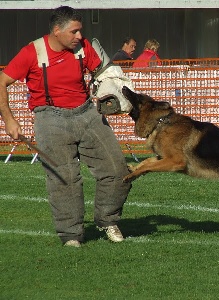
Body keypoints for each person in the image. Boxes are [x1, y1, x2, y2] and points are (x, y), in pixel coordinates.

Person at [0, 6, 132, 247]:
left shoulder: (83, 48)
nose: (80, 37)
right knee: (64, 178)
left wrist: (112, 87)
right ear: (57, 31)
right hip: (49, 118)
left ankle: (107, 220)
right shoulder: (32, 52)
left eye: (80, 31)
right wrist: (9, 119)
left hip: (86, 112)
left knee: (117, 169)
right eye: (74, 32)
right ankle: (71, 235)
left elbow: (102, 73)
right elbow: (2, 81)